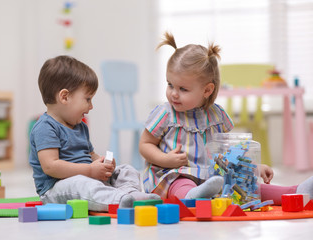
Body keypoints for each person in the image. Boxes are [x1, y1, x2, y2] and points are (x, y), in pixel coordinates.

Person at [139, 32, 313, 204]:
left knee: (246, 185)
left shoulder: (217, 115)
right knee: (181, 183)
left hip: (213, 175)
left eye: (183, 89)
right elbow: (145, 144)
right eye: (170, 85)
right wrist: (165, 159)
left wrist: (252, 168)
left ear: (207, 90)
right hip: (175, 173)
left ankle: (295, 192)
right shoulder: (165, 113)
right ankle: (193, 196)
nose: (174, 94)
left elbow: (228, 151)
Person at [29, 55, 160, 212]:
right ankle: (119, 200)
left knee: (126, 169)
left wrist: (103, 162)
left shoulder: (79, 126)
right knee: (81, 184)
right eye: (88, 99)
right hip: (57, 188)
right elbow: (51, 167)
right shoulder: (45, 127)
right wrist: (89, 170)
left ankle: (130, 194)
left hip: (87, 177)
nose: (91, 106)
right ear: (65, 97)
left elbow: (89, 154)